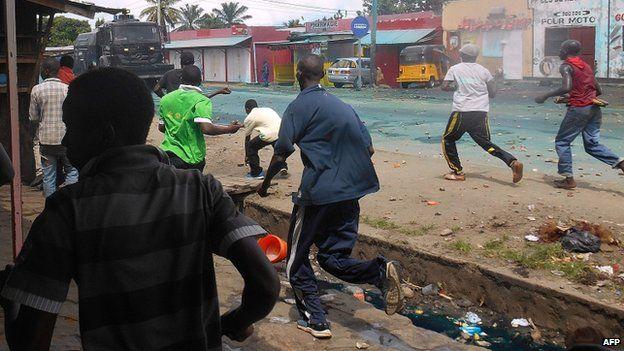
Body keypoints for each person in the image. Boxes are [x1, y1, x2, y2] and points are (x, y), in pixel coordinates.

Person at [0, 67, 279, 351]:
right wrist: (232, 323)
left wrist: (10, 303)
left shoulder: (68, 209)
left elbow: (31, 341)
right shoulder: (201, 189)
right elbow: (266, 284)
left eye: (71, 128)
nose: (65, 141)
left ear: (105, 135)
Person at [257, 54, 404, 339]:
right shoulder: (343, 106)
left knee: (296, 262)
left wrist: (265, 185)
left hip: (318, 194)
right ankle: (379, 272)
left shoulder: (298, 107)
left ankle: (316, 320)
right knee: (330, 258)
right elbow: (369, 149)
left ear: (299, 74)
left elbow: (281, 151)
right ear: (323, 75)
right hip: (351, 193)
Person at [535, 40, 624, 189]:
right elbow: (597, 90)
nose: (559, 52)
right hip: (594, 108)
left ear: (565, 51)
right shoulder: (587, 66)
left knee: (562, 142)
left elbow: (567, 86)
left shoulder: (566, 66)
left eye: (561, 49)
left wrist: (545, 96)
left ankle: (568, 179)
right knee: (591, 145)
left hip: (579, 109)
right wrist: (569, 98)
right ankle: (620, 163)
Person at [440, 44, 523, 183]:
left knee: (448, 139)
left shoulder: (454, 69)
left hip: (462, 111)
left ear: (461, 55)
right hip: (481, 111)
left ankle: (457, 171)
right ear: (475, 57)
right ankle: (512, 162)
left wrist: (456, 86)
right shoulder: (484, 71)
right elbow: (493, 93)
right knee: (485, 142)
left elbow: (444, 86)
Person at [159, 65, 242, 171]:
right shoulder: (202, 101)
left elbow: (161, 127)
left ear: (181, 79)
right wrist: (229, 129)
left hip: (168, 154)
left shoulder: (165, 99)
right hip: (190, 158)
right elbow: (206, 128)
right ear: (200, 81)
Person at [29, 57, 78, 198]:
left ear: (46, 71)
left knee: (48, 176)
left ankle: (51, 208)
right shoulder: (67, 89)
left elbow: (33, 118)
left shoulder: (37, 90)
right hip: (65, 139)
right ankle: (69, 203)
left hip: (46, 140)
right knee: (72, 171)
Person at [243, 99, 286, 179]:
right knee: (276, 144)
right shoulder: (267, 109)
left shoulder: (249, 117)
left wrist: (247, 155)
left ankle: (256, 173)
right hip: (283, 132)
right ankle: (282, 166)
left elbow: (247, 138)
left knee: (251, 146)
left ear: (247, 109)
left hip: (271, 134)